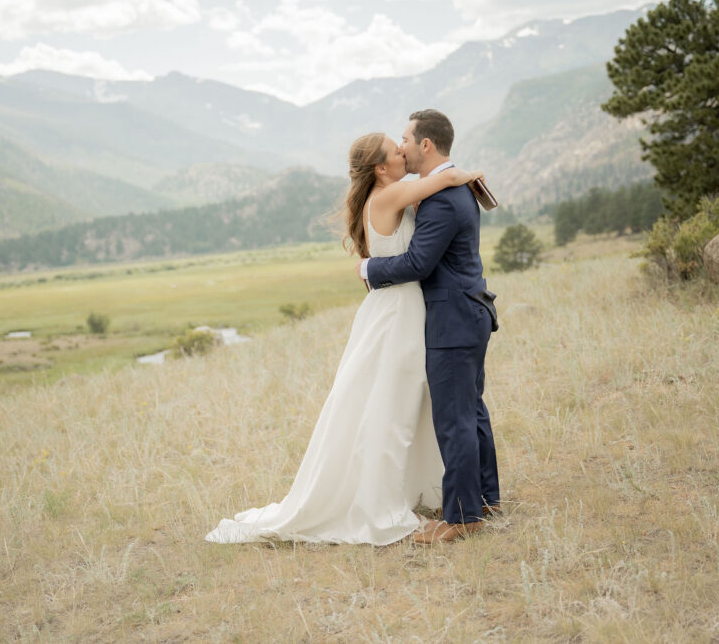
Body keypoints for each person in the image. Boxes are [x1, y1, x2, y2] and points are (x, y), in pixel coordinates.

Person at [205, 131, 482, 545]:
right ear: (380, 168)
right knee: (391, 408)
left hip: (398, 308)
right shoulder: (390, 195)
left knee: (393, 403)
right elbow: (444, 179)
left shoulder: (388, 196)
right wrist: (470, 174)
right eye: (395, 151)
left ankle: (403, 488)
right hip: (398, 312)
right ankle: (377, 503)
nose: (402, 152)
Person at [360, 109, 500, 544]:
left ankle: (463, 517)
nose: (402, 147)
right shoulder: (450, 187)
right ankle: (485, 498)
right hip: (469, 311)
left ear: (425, 144)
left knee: (454, 418)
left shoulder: (442, 197)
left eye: (405, 139)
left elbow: (419, 263)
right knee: (471, 410)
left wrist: (368, 269)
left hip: (452, 318)